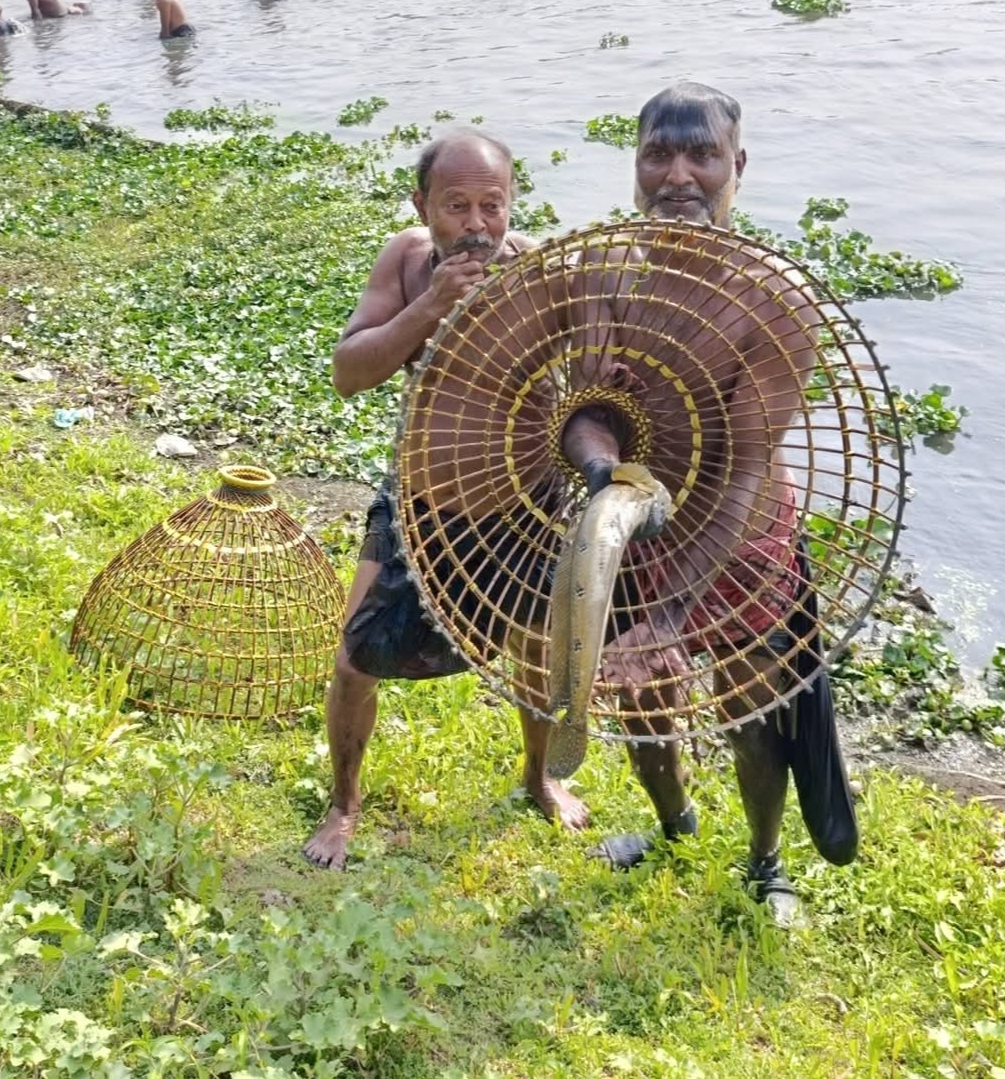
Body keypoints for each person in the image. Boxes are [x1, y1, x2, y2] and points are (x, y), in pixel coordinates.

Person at [558, 81, 856, 926]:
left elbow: (747, 465)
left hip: (740, 526)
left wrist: (677, 612)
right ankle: (674, 824)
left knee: (750, 697)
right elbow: (583, 409)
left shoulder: (772, 296)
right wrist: (601, 470)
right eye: (659, 153)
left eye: (702, 156)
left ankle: (765, 862)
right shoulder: (605, 265)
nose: (678, 175)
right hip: (629, 518)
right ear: (636, 164)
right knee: (636, 687)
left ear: (738, 167)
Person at [302, 131, 577, 871]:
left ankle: (538, 778)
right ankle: (344, 802)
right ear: (423, 207)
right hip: (422, 502)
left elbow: (594, 379)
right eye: (456, 206)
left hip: (524, 505)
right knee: (355, 659)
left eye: (493, 205)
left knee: (534, 656)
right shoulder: (405, 260)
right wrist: (430, 309)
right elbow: (349, 372)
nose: (477, 225)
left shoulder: (540, 270)